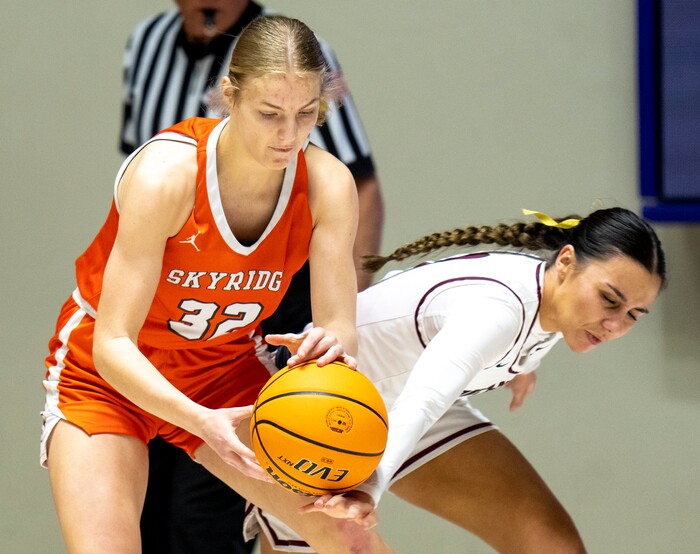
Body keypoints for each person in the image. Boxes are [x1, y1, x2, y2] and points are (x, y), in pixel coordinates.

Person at [41, 15, 392, 554]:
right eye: (269, 114)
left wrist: (331, 345)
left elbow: (340, 324)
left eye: (305, 115)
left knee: (349, 535)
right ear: (229, 94)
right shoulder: (167, 177)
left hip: (219, 370)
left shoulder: (327, 186)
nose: (288, 135)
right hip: (106, 372)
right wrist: (201, 424)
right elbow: (113, 344)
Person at [244, 207, 667, 553]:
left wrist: (515, 369)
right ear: (567, 261)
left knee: (551, 546)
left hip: (399, 403)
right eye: (610, 300)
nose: (614, 324)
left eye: (633, 314)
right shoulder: (498, 309)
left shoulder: (553, 304)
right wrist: (373, 484)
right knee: (355, 546)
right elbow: (424, 399)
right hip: (313, 408)